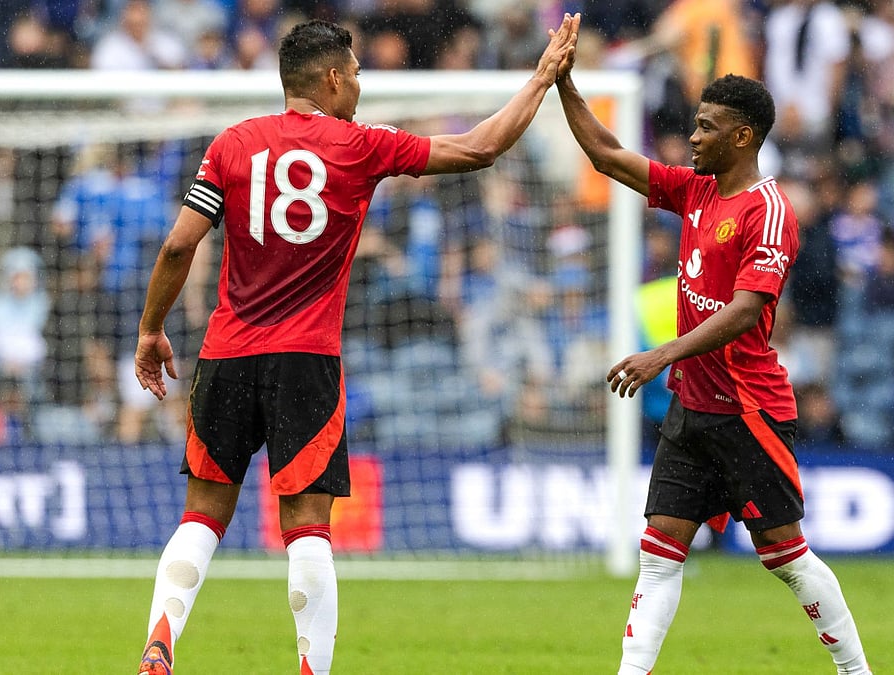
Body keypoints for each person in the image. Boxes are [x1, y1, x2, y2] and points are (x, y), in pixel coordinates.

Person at [132, 15, 581, 675]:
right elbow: (481, 147)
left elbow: (178, 244)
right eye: (359, 74)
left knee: (202, 514)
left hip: (226, 354)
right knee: (308, 528)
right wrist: (541, 78)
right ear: (335, 78)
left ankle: (160, 642)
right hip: (307, 359)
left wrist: (150, 329)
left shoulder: (231, 144)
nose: (361, 86)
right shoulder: (360, 145)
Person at [555, 42, 872, 674]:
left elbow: (747, 310)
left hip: (748, 409)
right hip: (692, 409)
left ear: (743, 135)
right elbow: (608, 155)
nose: (692, 136)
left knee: (785, 555)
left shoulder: (770, 211)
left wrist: (662, 353)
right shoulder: (696, 191)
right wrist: (564, 84)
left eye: (706, 127)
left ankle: (856, 671)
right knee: (659, 552)